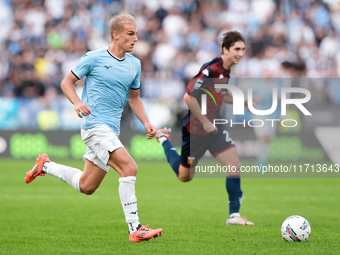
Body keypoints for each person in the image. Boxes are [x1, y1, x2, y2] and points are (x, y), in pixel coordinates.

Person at [25, 14, 163, 242]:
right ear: (115, 34)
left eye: (136, 34)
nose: (136, 38)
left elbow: (134, 99)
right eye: (131, 34)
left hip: (110, 130)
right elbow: (66, 82)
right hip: (94, 126)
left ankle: (45, 166)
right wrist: (77, 102)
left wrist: (146, 123)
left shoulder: (134, 64)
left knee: (87, 186)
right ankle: (135, 228)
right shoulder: (93, 58)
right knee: (129, 168)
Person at [155, 31, 254, 225]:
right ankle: (163, 139)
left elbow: (221, 94)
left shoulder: (226, 70)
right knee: (185, 176)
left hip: (214, 128)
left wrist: (242, 102)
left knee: (234, 165)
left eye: (243, 49)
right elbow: (188, 97)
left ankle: (234, 215)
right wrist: (206, 122)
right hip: (197, 131)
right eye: (236, 49)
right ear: (225, 50)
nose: (241, 53)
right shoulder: (211, 70)